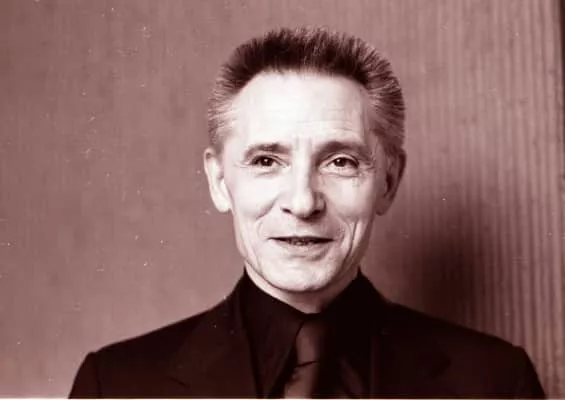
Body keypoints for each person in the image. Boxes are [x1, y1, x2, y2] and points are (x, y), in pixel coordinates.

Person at [69, 27, 545, 398]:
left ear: (388, 181)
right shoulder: (115, 386)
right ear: (218, 181)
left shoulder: (496, 383)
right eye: (266, 161)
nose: (302, 202)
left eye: (340, 162)